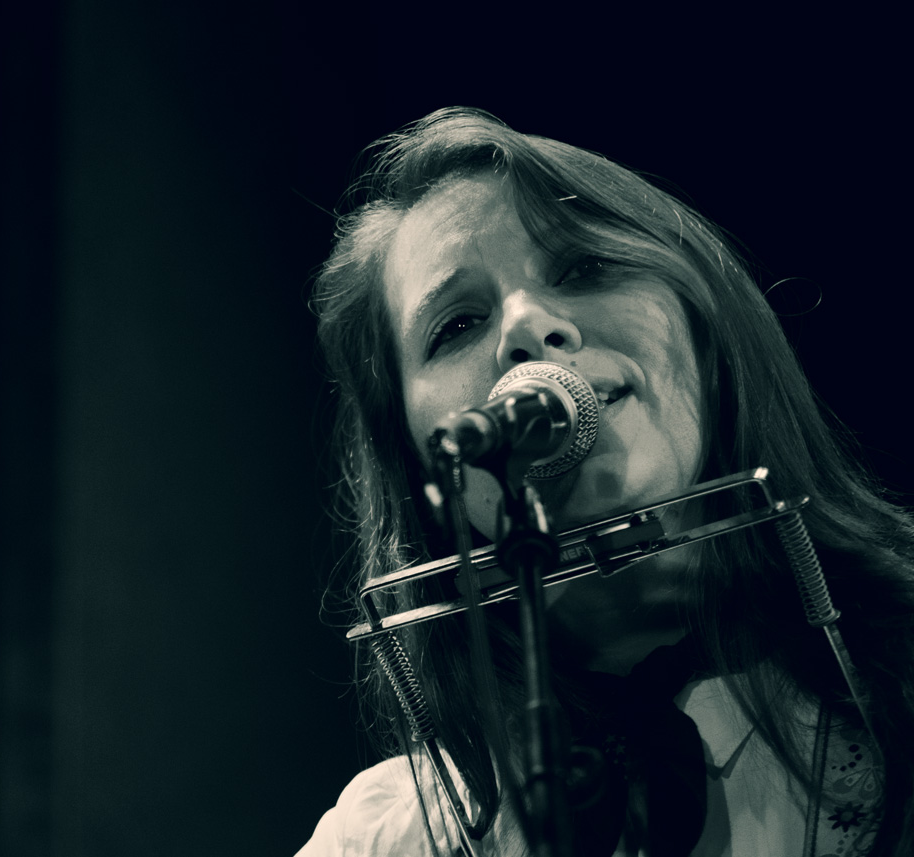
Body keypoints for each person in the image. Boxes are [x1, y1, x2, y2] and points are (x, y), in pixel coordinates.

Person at [297, 107, 914, 856]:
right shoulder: (383, 838)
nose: (527, 328)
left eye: (584, 267)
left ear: (707, 327)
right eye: (455, 325)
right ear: (417, 455)